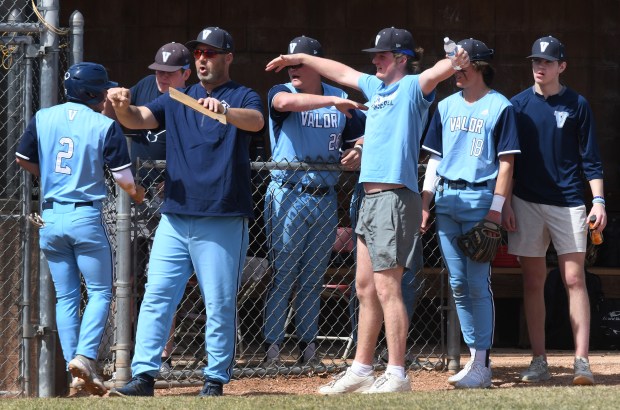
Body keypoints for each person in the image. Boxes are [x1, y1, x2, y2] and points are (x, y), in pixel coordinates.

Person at [266, 26, 469, 394]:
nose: (374, 60)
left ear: (401, 59)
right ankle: (361, 369)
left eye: (382, 55)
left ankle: (397, 373)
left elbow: (440, 69)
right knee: (364, 287)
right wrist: (298, 59)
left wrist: (457, 57)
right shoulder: (376, 88)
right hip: (368, 197)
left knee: (388, 287)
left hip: (393, 197)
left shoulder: (411, 86)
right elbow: (339, 71)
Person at [107, 26, 265, 397]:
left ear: (228, 57)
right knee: (158, 294)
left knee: (219, 301)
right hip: (176, 217)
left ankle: (214, 379)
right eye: (199, 54)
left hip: (222, 216)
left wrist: (225, 111)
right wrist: (120, 105)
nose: (204, 59)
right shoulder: (178, 96)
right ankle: (144, 376)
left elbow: (256, 122)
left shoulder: (243, 95)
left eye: (211, 53)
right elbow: (138, 118)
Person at [15, 62, 145, 396]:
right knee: (102, 291)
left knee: (67, 296)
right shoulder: (104, 125)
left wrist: (51, 179)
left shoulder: (44, 116)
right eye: (103, 91)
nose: (105, 96)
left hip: (51, 216)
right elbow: (123, 179)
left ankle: (75, 370)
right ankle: (85, 357)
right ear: (92, 94)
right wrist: (139, 194)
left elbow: (21, 157)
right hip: (85, 217)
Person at [420, 38, 520, 388]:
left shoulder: (500, 106)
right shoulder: (445, 106)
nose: (454, 72)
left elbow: (506, 163)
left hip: (480, 199)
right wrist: (425, 200)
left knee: (478, 283)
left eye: (460, 66)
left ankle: (482, 363)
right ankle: (473, 360)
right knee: (458, 284)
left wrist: (496, 210)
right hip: (447, 200)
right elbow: (434, 158)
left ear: (477, 66)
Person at [507, 35, 606, 386]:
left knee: (574, 279)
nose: (540, 67)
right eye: (536, 61)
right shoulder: (516, 105)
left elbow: (591, 159)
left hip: (569, 202)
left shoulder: (578, 104)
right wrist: (503, 202)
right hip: (526, 201)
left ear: (561, 66)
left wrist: (599, 201)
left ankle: (582, 362)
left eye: (547, 62)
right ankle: (539, 360)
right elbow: (506, 161)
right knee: (533, 281)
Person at [262, 36, 367, 368]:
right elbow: (282, 105)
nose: (293, 69)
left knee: (312, 277)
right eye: (290, 63)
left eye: (299, 63)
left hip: (324, 198)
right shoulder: (283, 91)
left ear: (315, 65)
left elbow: (365, 131)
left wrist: (360, 149)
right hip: (288, 193)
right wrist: (328, 104)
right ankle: (272, 350)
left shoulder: (340, 97)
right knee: (284, 275)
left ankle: (309, 350)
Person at [104, 41, 192, 374]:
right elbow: (115, 121)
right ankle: (119, 353)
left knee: (162, 282)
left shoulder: (196, 98)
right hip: (132, 193)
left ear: (186, 74)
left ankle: (161, 355)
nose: (162, 78)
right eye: (158, 71)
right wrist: (112, 102)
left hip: (171, 195)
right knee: (120, 278)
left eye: (170, 74)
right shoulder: (142, 88)